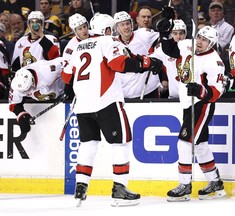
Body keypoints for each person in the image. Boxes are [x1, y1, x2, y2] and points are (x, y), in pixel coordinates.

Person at [61, 13, 164, 207]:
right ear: (108, 30)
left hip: (83, 106)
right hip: (107, 102)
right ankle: (119, 189)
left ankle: (81, 186)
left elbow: (67, 77)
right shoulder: (108, 41)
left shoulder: (78, 47)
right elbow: (122, 64)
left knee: (88, 144)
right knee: (121, 144)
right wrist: (148, 64)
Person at [157, 12, 227, 201]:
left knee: (184, 142)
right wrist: (164, 34)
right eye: (199, 37)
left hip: (201, 105)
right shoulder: (188, 44)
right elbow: (170, 49)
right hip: (188, 104)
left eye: (205, 40)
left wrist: (200, 90)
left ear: (211, 44)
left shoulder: (215, 62)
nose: (200, 42)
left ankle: (185, 185)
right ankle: (215, 182)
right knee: (201, 144)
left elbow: (218, 91)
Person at [113, 11, 166, 99]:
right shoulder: (113, 44)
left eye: (127, 23)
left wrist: (166, 25)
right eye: (122, 25)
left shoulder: (144, 34)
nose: (126, 27)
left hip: (148, 90)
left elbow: (165, 37)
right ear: (117, 28)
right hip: (125, 93)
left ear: (132, 24)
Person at [8, 57, 65, 134]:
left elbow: (68, 63)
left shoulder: (47, 70)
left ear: (32, 81)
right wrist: (22, 116)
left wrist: (70, 86)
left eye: (27, 90)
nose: (26, 93)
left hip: (64, 93)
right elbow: (14, 104)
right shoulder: (17, 84)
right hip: (53, 99)